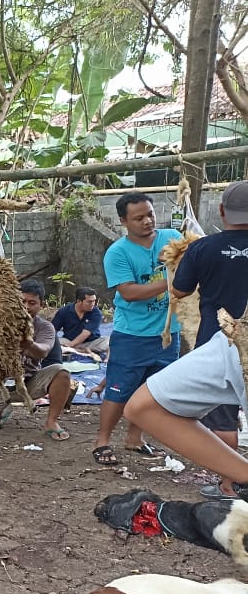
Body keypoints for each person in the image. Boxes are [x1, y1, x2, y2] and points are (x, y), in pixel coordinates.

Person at [91, 192, 181, 466]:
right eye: (138, 218)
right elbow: (129, 292)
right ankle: (102, 441)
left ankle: (134, 438)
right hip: (132, 334)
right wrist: (172, 284)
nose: (147, 221)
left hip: (167, 333)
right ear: (123, 221)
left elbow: (195, 260)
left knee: (152, 390)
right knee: (119, 390)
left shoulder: (172, 238)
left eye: (150, 214)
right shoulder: (117, 253)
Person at [171, 181, 248, 499]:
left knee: (223, 416)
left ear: (220, 211)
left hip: (220, 344)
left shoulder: (201, 248)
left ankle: (230, 484)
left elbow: (179, 291)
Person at [123, 329, 248, 500]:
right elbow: (144, 408)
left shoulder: (235, 341)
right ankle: (230, 486)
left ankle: (230, 486)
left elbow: (144, 408)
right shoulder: (234, 342)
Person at [0, 280, 75, 440]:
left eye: (32, 303)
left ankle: (51, 422)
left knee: (61, 372)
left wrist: (28, 343)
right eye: (21, 301)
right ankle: (2, 408)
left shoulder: (45, 327)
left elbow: (42, 352)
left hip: (30, 381)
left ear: (41, 305)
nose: (26, 307)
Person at [51, 287, 110, 357]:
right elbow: (52, 330)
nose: (93, 304)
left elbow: (86, 333)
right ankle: (83, 351)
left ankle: (74, 350)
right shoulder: (64, 311)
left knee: (110, 341)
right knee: (52, 342)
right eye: (89, 301)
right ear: (79, 301)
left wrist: (70, 345)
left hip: (92, 343)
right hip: (68, 341)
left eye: (94, 301)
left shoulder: (96, 313)